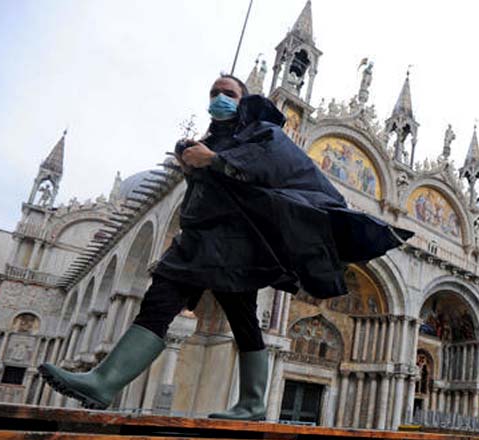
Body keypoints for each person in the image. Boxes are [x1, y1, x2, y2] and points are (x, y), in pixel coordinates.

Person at [39, 74, 412, 419]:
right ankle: (111, 382)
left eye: (229, 93)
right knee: (172, 305)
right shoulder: (212, 140)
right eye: (214, 93)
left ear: (244, 100)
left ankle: (246, 402)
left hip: (234, 245)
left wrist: (215, 161)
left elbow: (269, 167)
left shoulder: (262, 132)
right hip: (201, 240)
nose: (220, 98)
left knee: (230, 317)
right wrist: (194, 166)